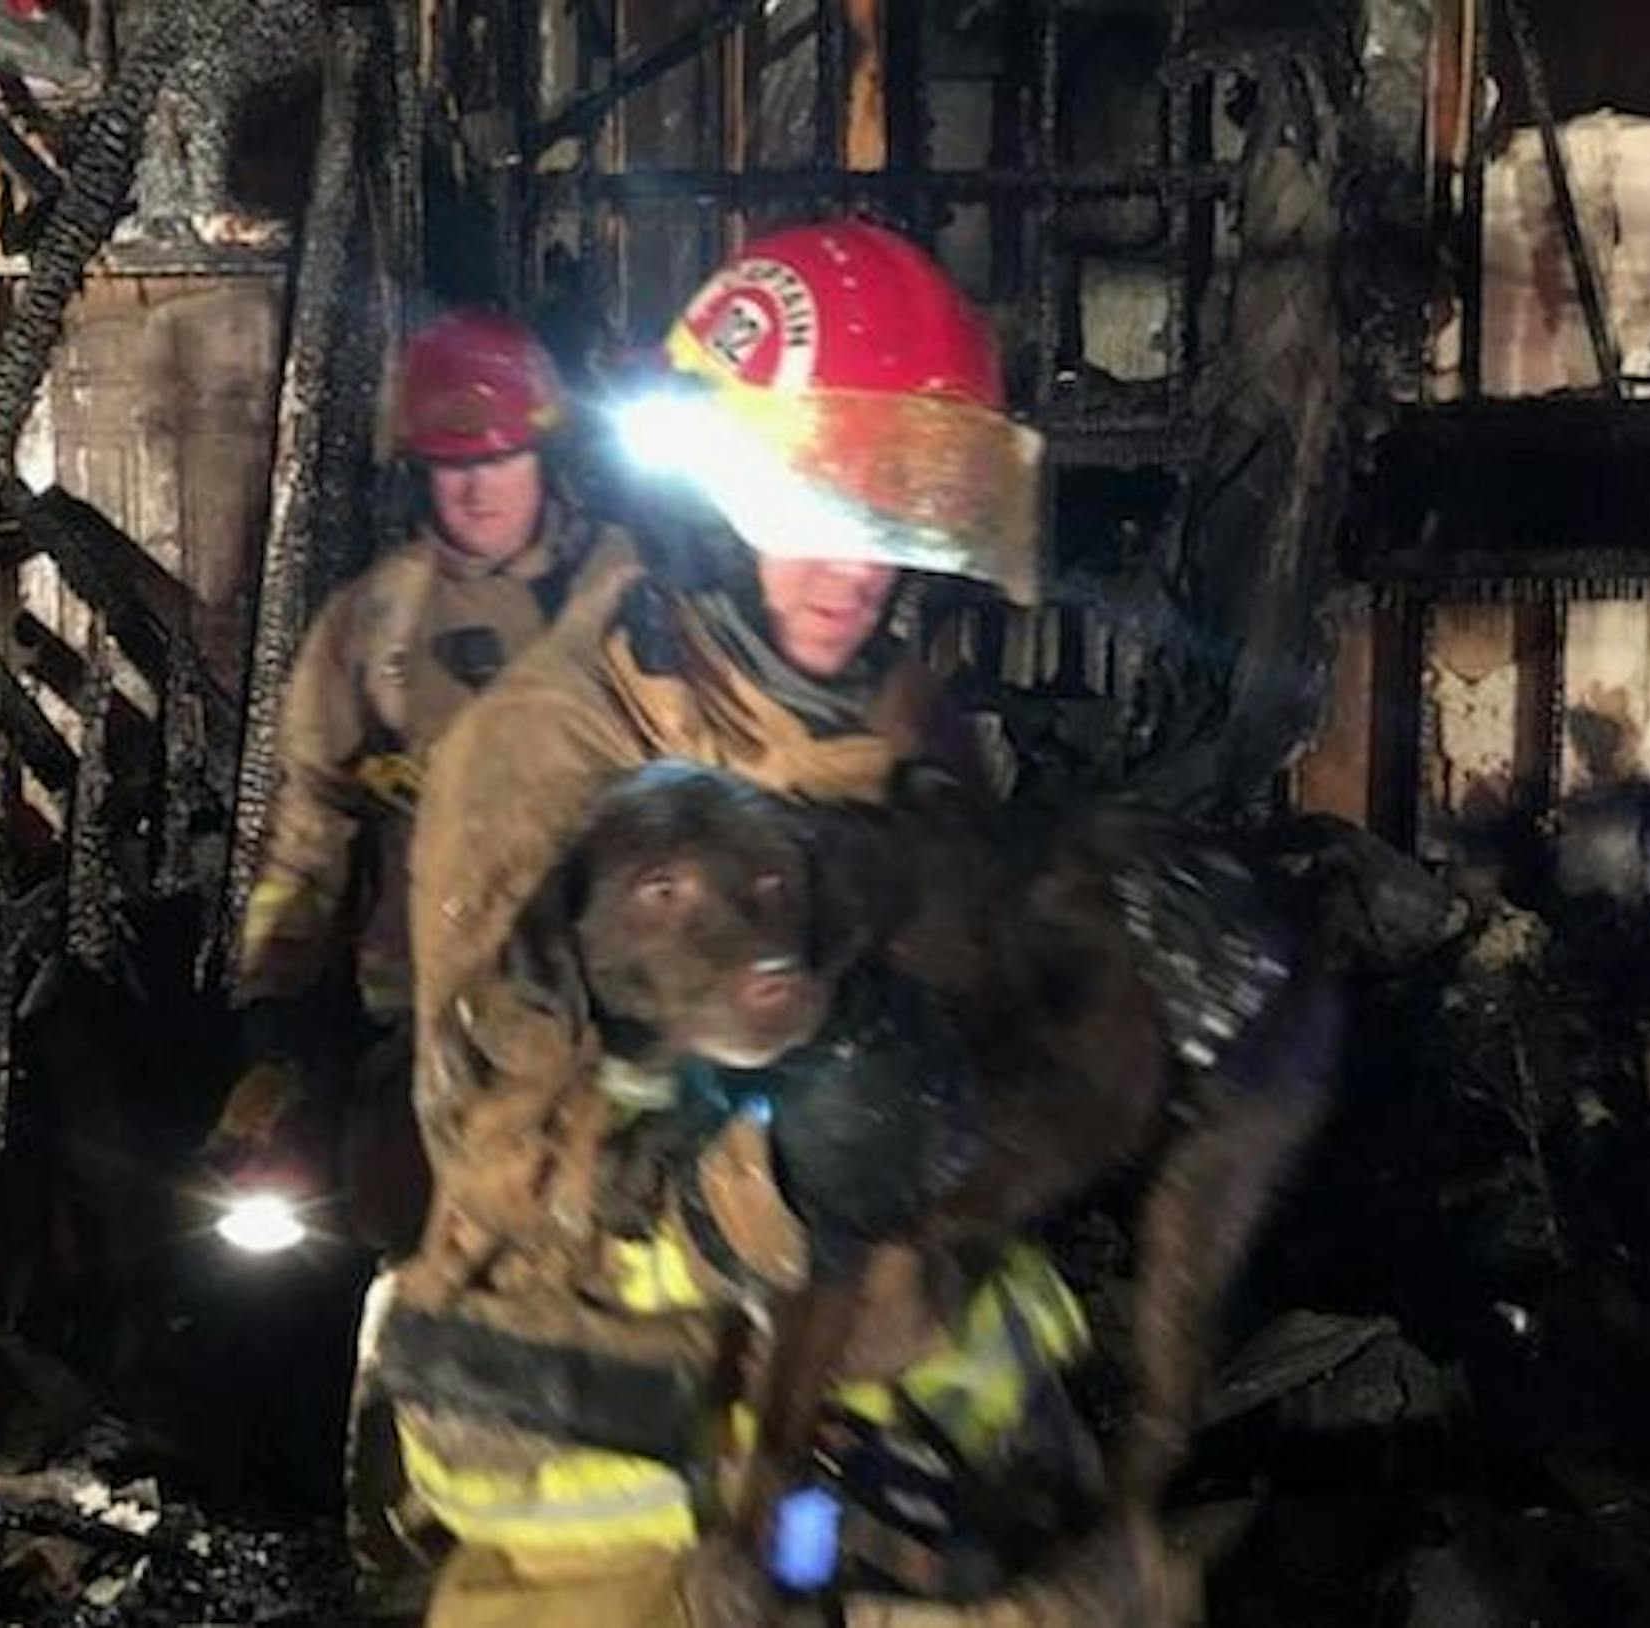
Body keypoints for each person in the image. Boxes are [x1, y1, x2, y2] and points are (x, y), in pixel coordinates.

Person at [376, 222, 1110, 1626]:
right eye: (814, 512)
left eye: (894, 518)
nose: (858, 572)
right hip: (614, 1429)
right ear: (714, 501)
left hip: (907, 1409)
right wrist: (748, 1195)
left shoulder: (909, 732)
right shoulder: (550, 746)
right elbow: (487, 1128)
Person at [215, 307, 630, 1253]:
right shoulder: (375, 622)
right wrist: (273, 988)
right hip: (423, 1013)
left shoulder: (624, 601)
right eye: (454, 466)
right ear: (422, 473)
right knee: (397, 1232)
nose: (478, 489)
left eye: (500, 460)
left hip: (602, 1012)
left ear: (547, 459)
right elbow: (311, 819)